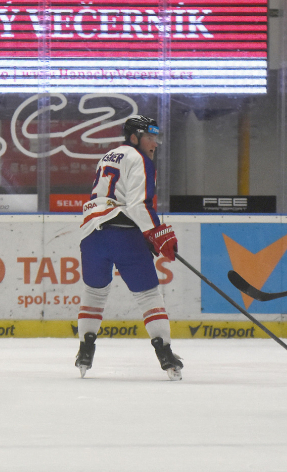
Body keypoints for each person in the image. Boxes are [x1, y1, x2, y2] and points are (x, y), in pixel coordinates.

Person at [75, 115, 183, 380]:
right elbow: (138, 205)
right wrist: (157, 232)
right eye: (149, 137)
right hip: (124, 235)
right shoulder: (140, 160)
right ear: (134, 137)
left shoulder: (108, 156)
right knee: (147, 296)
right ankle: (165, 354)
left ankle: (85, 350)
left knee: (94, 293)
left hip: (91, 236)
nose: (154, 143)